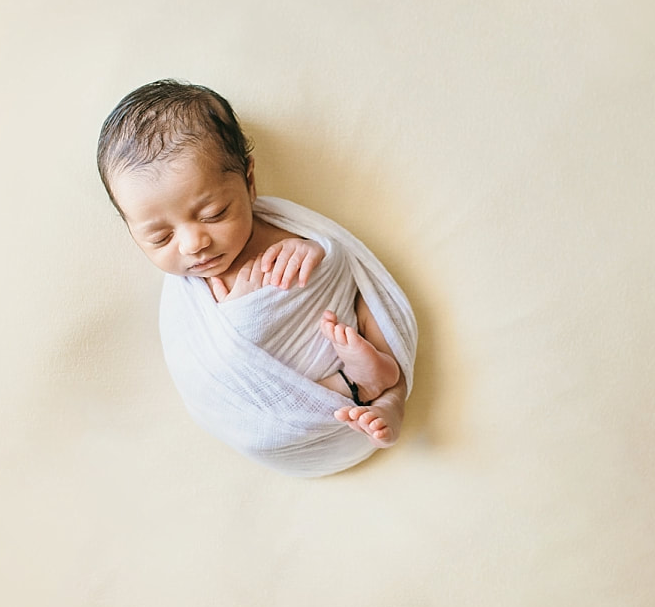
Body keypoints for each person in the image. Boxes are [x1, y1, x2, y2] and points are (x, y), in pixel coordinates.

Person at [96, 79, 416, 475]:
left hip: (345, 332)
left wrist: (310, 251)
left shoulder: (276, 225)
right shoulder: (187, 304)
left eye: (213, 213)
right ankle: (360, 387)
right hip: (293, 396)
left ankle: (390, 396)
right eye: (160, 236)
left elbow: (340, 262)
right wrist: (244, 308)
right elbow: (210, 372)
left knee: (367, 305)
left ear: (249, 182)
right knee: (270, 409)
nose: (194, 243)